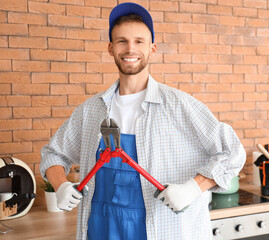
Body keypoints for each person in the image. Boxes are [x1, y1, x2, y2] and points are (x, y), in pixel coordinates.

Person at [40, 2, 246, 240]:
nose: (130, 49)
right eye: (122, 41)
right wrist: (61, 185)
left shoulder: (181, 106)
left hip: (163, 231)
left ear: (152, 49)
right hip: (101, 231)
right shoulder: (90, 111)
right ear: (111, 48)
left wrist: (194, 187)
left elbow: (232, 152)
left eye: (139, 41)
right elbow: (53, 154)